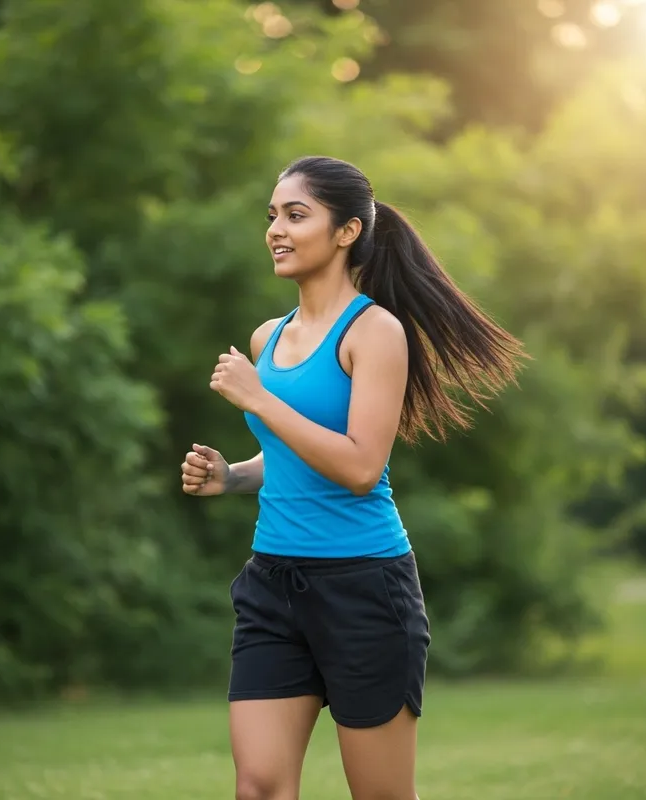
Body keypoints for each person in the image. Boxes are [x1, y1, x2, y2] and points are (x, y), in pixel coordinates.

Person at [181, 156, 525, 800]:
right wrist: (232, 477)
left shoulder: (374, 333)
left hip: (363, 586)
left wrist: (259, 400)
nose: (276, 230)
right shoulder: (269, 338)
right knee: (258, 787)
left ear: (346, 232)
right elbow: (291, 458)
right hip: (272, 584)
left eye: (296, 214)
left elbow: (362, 466)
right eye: (273, 216)